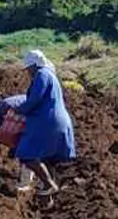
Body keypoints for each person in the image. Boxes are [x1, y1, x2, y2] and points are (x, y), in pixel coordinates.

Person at [14, 50, 78, 196]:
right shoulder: (51, 75)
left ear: (35, 65)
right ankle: (48, 193)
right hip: (59, 120)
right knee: (47, 158)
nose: (28, 72)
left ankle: (50, 184)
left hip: (48, 121)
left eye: (29, 68)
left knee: (26, 155)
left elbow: (35, 99)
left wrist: (19, 110)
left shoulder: (41, 74)